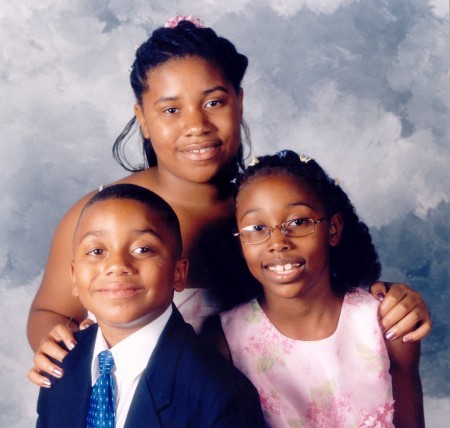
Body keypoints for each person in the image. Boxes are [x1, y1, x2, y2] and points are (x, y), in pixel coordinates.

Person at [28, 17, 431, 388]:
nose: (196, 126)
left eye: (214, 102)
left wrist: (394, 298)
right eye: (171, 109)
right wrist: (52, 339)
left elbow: (333, 294)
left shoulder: (267, 213)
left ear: (239, 101)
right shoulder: (100, 215)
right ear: (144, 119)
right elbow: (48, 311)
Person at [209, 150, 424, 427]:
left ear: (333, 229)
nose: (277, 242)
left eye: (298, 222)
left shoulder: (386, 323)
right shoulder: (225, 341)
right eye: (257, 227)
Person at [36, 183, 265, 428]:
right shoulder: (61, 362)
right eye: (96, 250)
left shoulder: (220, 395)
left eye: (143, 249)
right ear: (73, 277)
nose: (117, 264)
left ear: (178, 273)